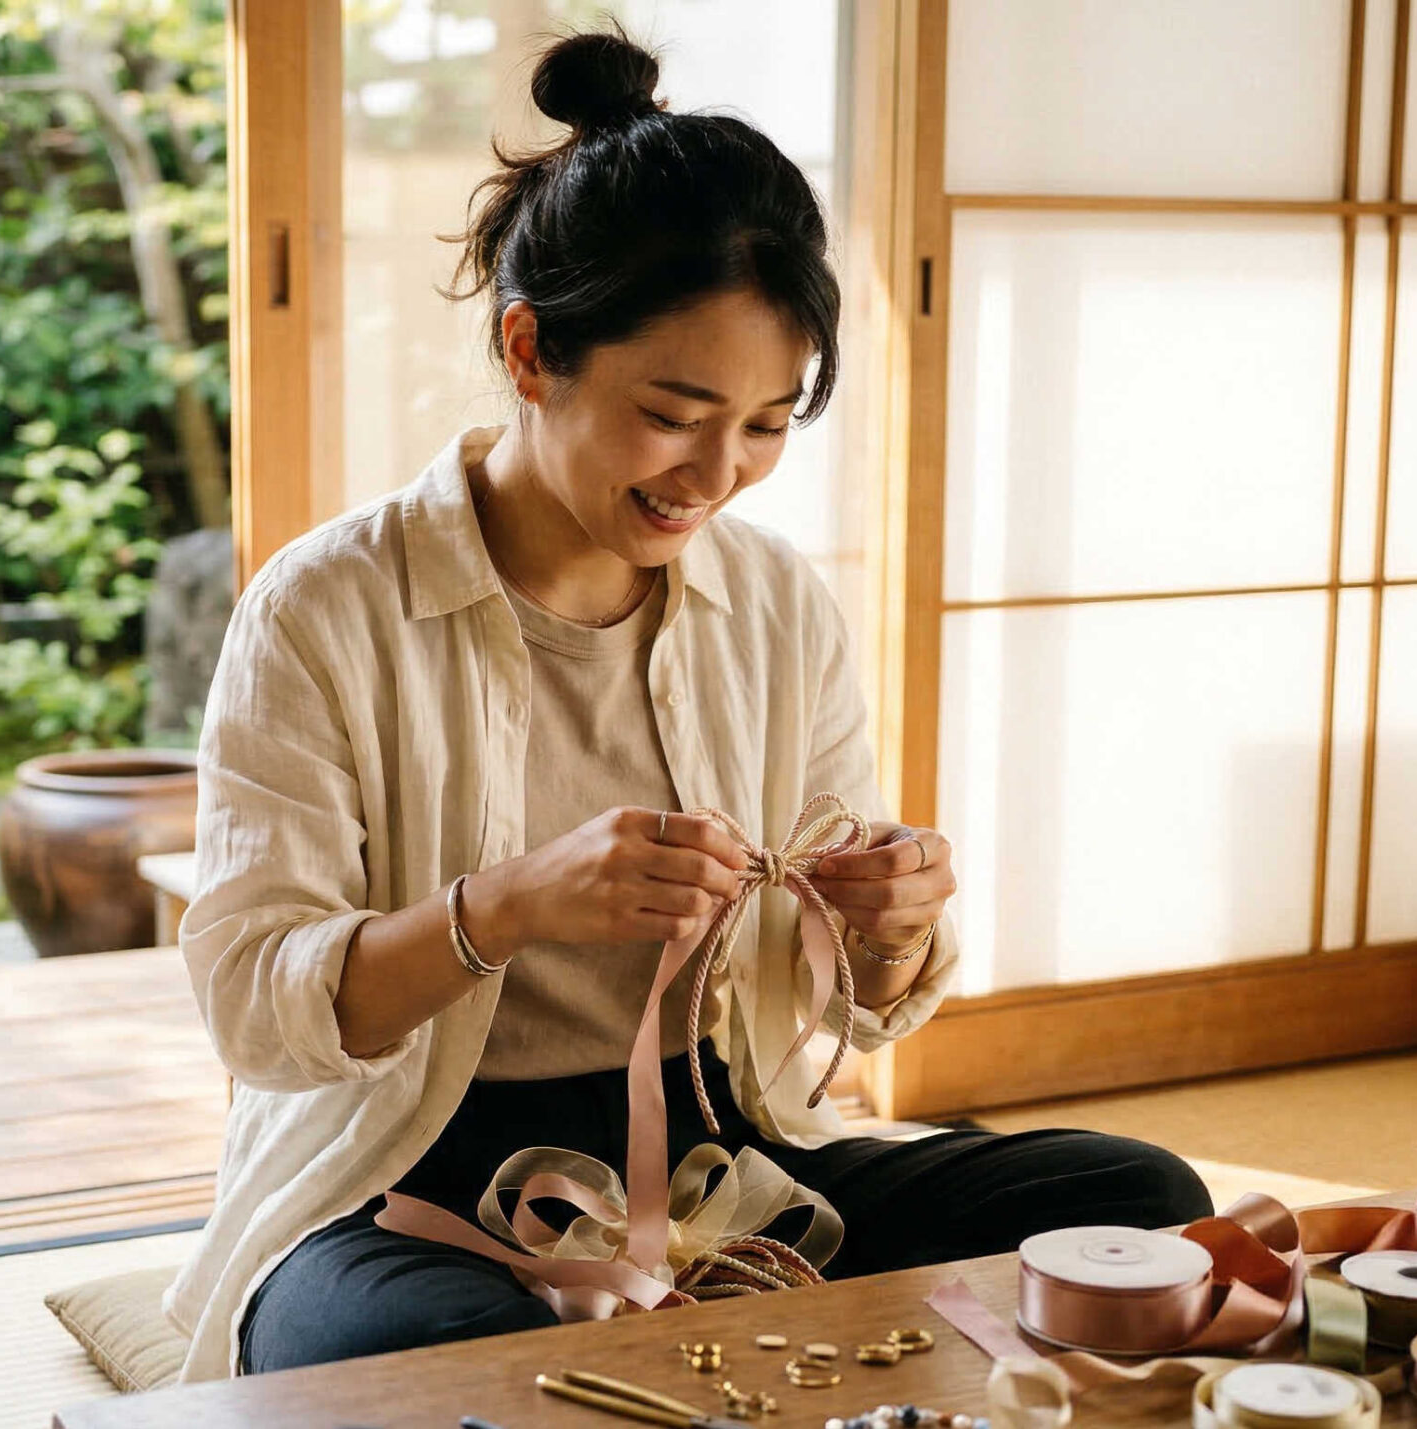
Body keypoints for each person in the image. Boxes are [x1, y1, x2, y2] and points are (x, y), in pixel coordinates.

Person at [165, 26, 1210, 1381]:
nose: (719, 472)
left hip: (730, 1147)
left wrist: (883, 925)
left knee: (1144, 1206)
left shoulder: (772, 603)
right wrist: (508, 906)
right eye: (674, 411)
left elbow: (868, 1005)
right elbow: (254, 1005)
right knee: (442, 1363)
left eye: (770, 423)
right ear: (533, 349)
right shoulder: (325, 608)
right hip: (401, 1172)